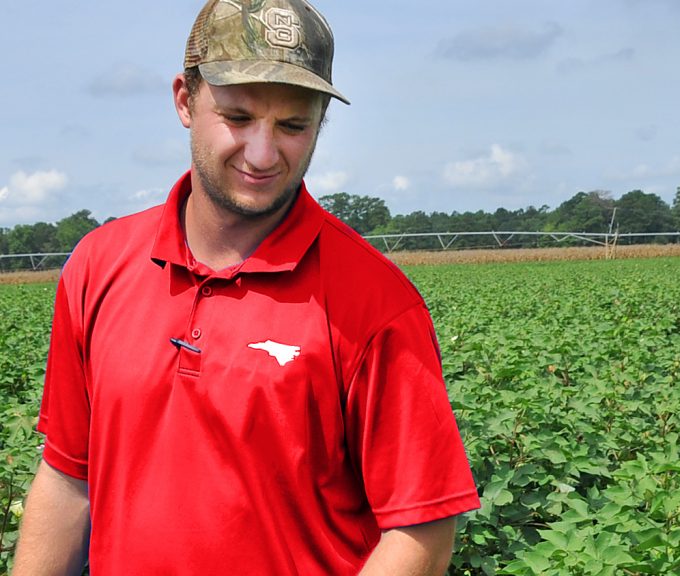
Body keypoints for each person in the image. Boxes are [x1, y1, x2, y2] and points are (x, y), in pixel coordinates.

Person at [12, 0, 480, 574]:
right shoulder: (98, 266)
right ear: (185, 99)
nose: (262, 153)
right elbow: (67, 478)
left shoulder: (375, 302)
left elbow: (421, 527)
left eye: (292, 126)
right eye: (237, 118)